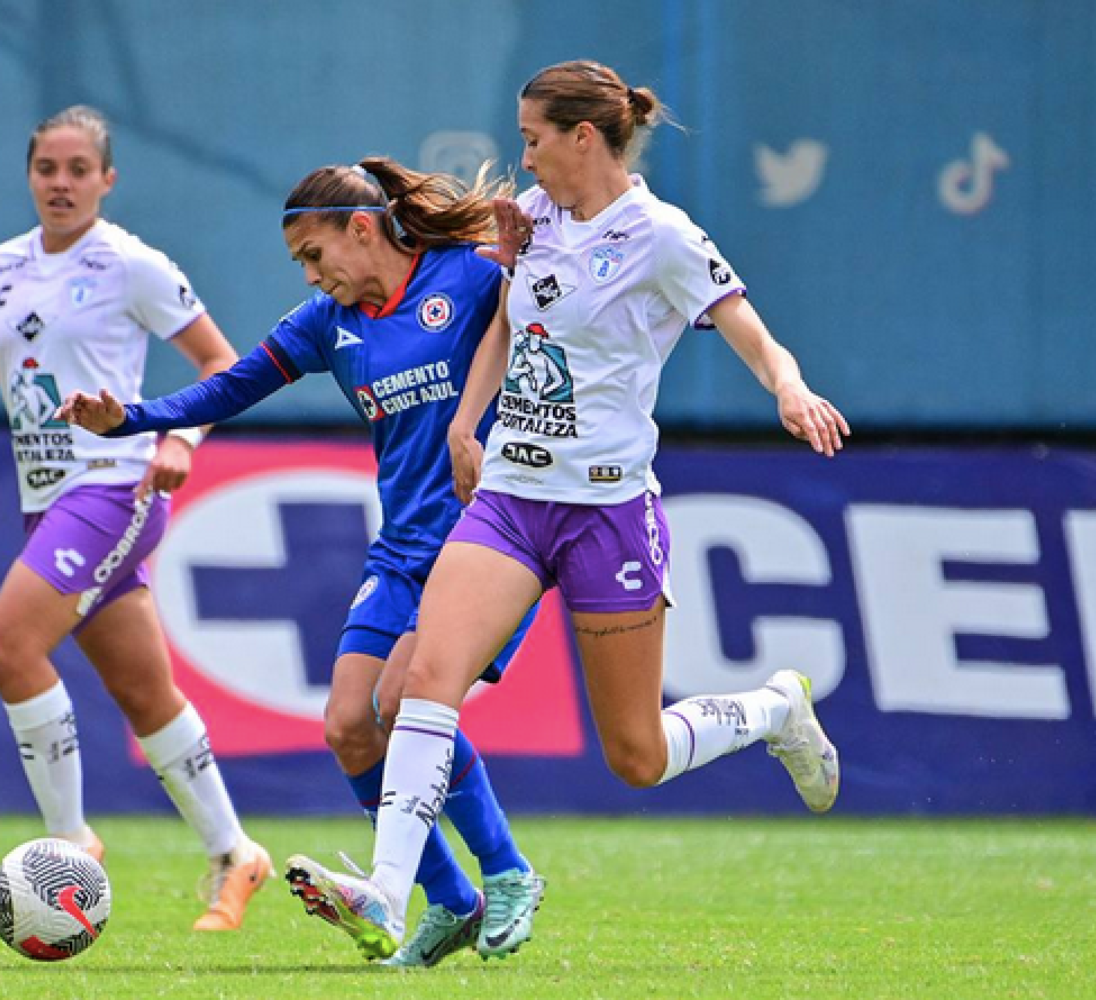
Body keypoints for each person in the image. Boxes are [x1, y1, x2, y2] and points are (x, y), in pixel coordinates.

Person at [284, 59, 852, 958]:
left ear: (583, 137)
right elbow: (507, 323)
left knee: (636, 757)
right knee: (426, 683)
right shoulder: (535, 220)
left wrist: (790, 389)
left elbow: (749, 326)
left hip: (606, 512)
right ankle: (388, 894)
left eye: (533, 138)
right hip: (511, 498)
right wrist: (467, 428)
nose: (524, 156)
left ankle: (774, 710)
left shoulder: (661, 235)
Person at [55, 157, 546, 965]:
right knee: (349, 727)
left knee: (402, 701)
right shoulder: (327, 325)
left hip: (487, 543)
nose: (314, 278)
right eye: (301, 268)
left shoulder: (467, 277)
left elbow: (557, 302)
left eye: (315, 256)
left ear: (362, 227)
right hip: (401, 552)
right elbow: (231, 386)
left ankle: (508, 872)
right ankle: (453, 901)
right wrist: (132, 420)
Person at [0, 105, 271, 932]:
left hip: (113, 486)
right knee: (145, 693)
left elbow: (221, 362)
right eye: (48, 168)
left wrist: (180, 436)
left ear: (107, 181)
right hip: (46, 497)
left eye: (80, 170)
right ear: (30, 175)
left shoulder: (130, 265)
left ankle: (69, 844)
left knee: (8, 647)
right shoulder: (2, 267)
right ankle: (235, 854)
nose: (62, 184)